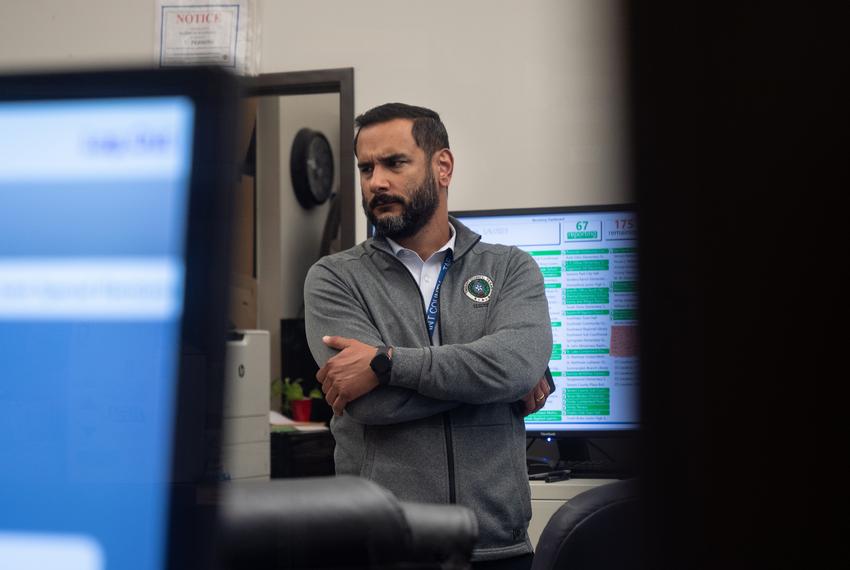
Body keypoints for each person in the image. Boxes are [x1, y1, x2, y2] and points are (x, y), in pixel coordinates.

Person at [303, 103, 553, 569]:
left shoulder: (510, 267)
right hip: (381, 550)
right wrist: (494, 386)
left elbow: (517, 365)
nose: (376, 181)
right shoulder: (334, 278)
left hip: (499, 547)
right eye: (366, 168)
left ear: (443, 167)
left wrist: (386, 364)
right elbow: (368, 404)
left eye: (395, 163)